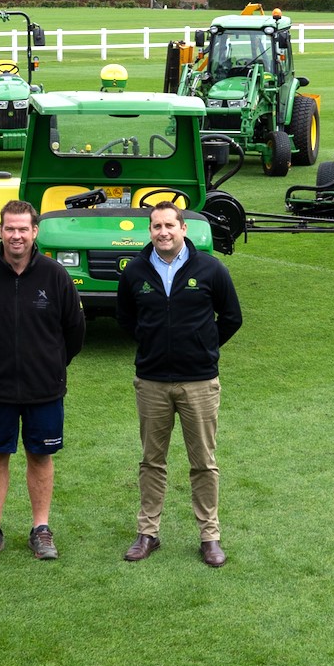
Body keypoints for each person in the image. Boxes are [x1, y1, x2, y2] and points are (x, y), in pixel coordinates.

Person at [115, 200, 243, 567]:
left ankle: (210, 537)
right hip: (152, 382)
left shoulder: (210, 268)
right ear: (150, 231)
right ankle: (148, 533)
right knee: (151, 462)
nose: (163, 232)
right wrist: (152, 341)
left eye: (170, 225)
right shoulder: (135, 272)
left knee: (203, 462)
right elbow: (126, 318)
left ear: (183, 228)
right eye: (156, 227)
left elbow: (231, 317)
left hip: (199, 383)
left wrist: (203, 347)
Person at [0, 199, 85, 562]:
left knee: (40, 455)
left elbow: (74, 330)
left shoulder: (55, 276)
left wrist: (52, 365)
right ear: (0, 231)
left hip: (44, 387)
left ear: (35, 232)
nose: (16, 235)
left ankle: (40, 529)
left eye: (23, 229)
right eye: (9, 228)